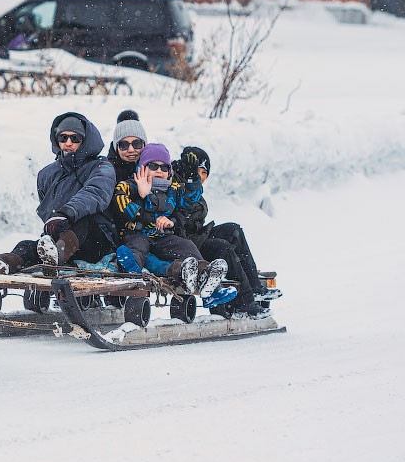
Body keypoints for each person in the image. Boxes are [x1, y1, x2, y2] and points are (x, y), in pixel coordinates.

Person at [0, 112, 116, 273]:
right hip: (60, 241)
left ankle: (56, 257)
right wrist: (53, 228)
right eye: (63, 138)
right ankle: (5, 262)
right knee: (27, 246)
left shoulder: (101, 167)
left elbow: (96, 192)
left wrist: (67, 213)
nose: (68, 143)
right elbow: (48, 209)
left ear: (85, 141)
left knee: (82, 223)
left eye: (75, 138)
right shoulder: (47, 174)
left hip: (96, 241)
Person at [110, 143, 229, 300]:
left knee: (186, 245)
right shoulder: (129, 185)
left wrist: (192, 177)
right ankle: (131, 268)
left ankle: (206, 276)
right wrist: (142, 196)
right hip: (136, 233)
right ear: (142, 167)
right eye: (153, 166)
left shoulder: (173, 189)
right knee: (138, 246)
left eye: (164, 167)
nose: (159, 170)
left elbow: (191, 199)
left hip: (161, 236)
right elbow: (121, 205)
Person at [172, 146, 277, 318]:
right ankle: (243, 303)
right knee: (222, 247)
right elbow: (181, 211)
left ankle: (255, 287)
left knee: (233, 230)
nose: (202, 177)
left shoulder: (194, 187)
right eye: (200, 170)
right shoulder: (178, 183)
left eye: (205, 173)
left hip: (197, 236)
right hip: (185, 243)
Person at [106, 109, 147, 185]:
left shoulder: (155, 167)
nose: (131, 150)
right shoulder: (107, 172)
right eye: (124, 145)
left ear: (144, 144)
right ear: (116, 148)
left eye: (136, 144)